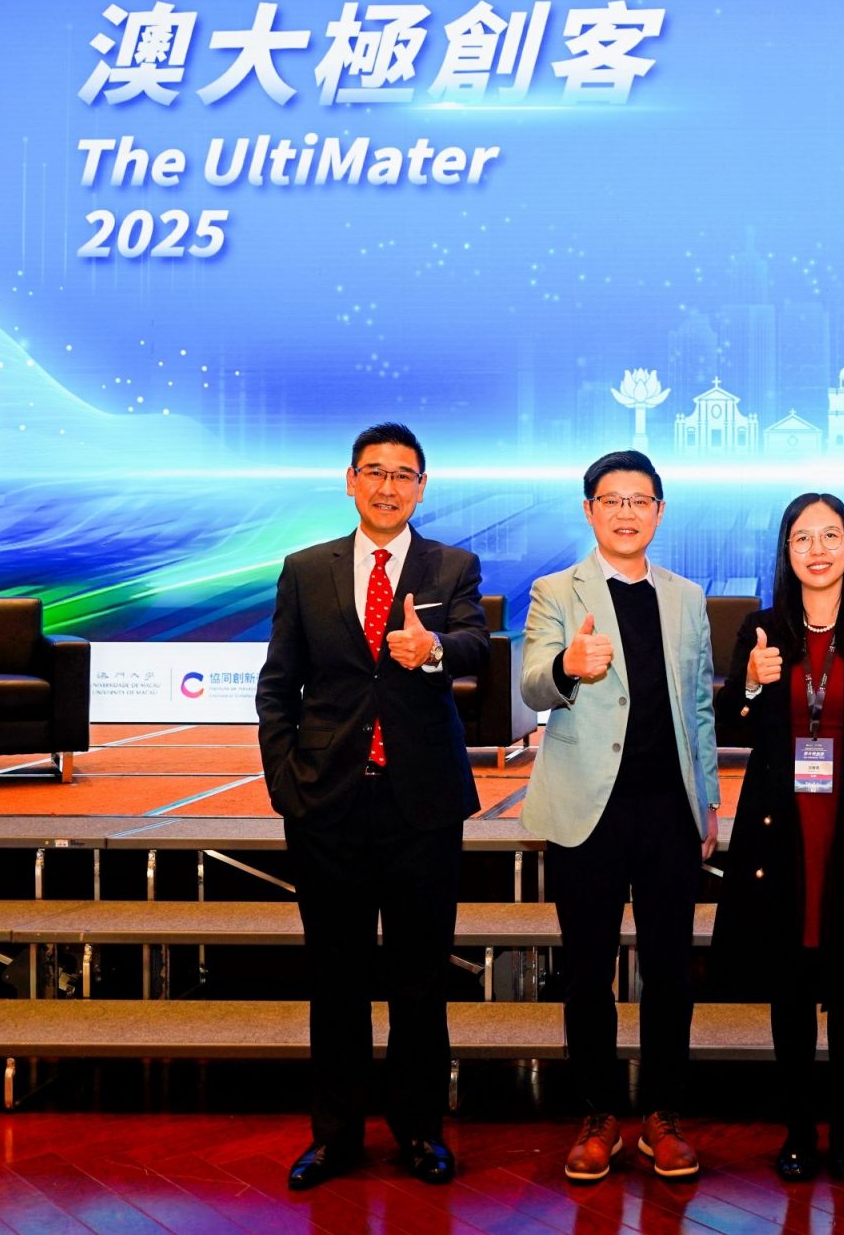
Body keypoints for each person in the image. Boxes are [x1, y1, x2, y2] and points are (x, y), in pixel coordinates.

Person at [256, 421, 488, 1190]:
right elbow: (277, 686)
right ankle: (336, 1138)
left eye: (403, 475)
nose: (389, 487)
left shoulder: (451, 566)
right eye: (375, 472)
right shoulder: (305, 570)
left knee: (421, 981)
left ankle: (420, 1132)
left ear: (422, 487)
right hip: (327, 805)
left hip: (423, 804)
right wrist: (287, 783)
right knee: (337, 980)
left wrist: (434, 650)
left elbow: (477, 644)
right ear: (351, 480)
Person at [520, 450, 719, 1184]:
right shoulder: (555, 591)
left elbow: (699, 707)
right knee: (587, 974)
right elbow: (531, 685)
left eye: (640, 500)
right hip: (587, 811)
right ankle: (598, 1113)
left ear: (659, 511)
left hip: (669, 811)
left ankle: (663, 1114)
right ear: (589, 510)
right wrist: (568, 666)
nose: (626, 512)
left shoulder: (687, 597)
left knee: (670, 972)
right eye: (612, 500)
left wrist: (707, 801)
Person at [711, 493, 844, 1183]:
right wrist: (748, 684)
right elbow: (730, 724)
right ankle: (799, 1131)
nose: (818, 549)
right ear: (786, 551)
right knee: (791, 986)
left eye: (831, 536)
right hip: (781, 831)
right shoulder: (762, 629)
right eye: (803, 537)